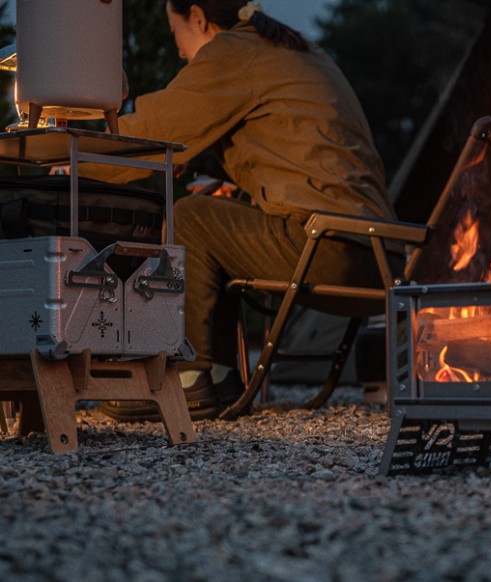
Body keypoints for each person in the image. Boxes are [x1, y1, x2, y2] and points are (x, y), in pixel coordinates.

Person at [81, 0, 395, 421]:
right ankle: (220, 375)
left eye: (177, 35)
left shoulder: (234, 51)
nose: (179, 51)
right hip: (379, 256)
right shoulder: (294, 47)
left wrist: (68, 154)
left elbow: (152, 134)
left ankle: (188, 378)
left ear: (197, 17)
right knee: (213, 213)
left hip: (334, 250)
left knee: (192, 217)